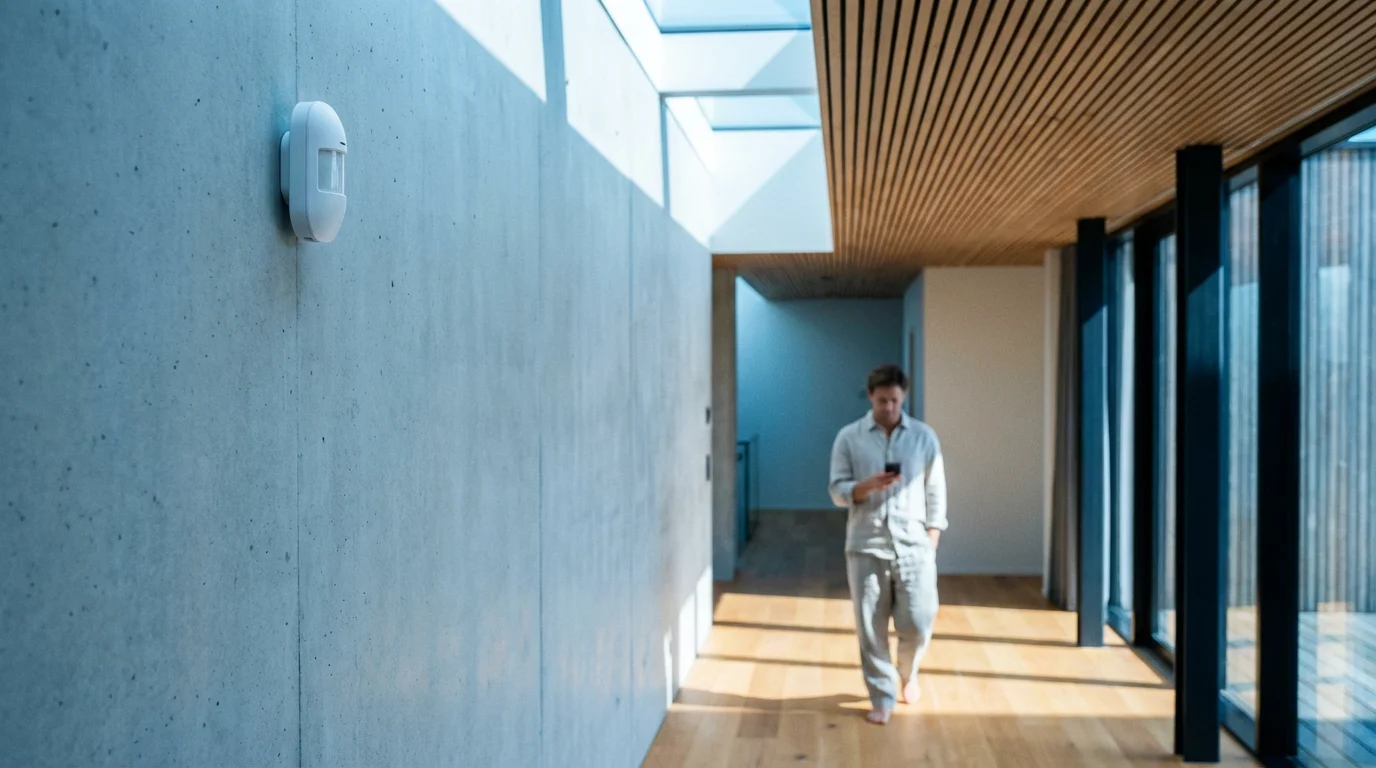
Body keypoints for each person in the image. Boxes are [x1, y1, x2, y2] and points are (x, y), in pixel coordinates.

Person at [828, 363, 947, 725]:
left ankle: (908, 672)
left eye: (895, 401)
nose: (889, 408)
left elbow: (935, 490)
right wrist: (865, 487)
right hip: (866, 545)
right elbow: (836, 489)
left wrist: (932, 538)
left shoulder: (924, 437)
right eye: (882, 401)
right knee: (870, 627)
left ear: (904, 396)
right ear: (870, 397)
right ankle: (882, 694)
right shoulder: (848, 437)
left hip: (915, 546)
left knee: (919, 620)